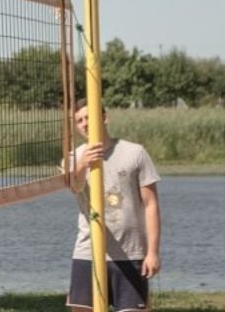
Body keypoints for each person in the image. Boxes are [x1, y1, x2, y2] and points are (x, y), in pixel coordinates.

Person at [65, 100, 161, 311]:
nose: (84, 124)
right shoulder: (73, 158)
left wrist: (152, 252)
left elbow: (151, 204)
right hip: (87, 252)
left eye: (89, 117)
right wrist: (83, 163)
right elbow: (74, 186)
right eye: (79, 121)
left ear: (105, 118)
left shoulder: (134, 153)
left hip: (130, 252)